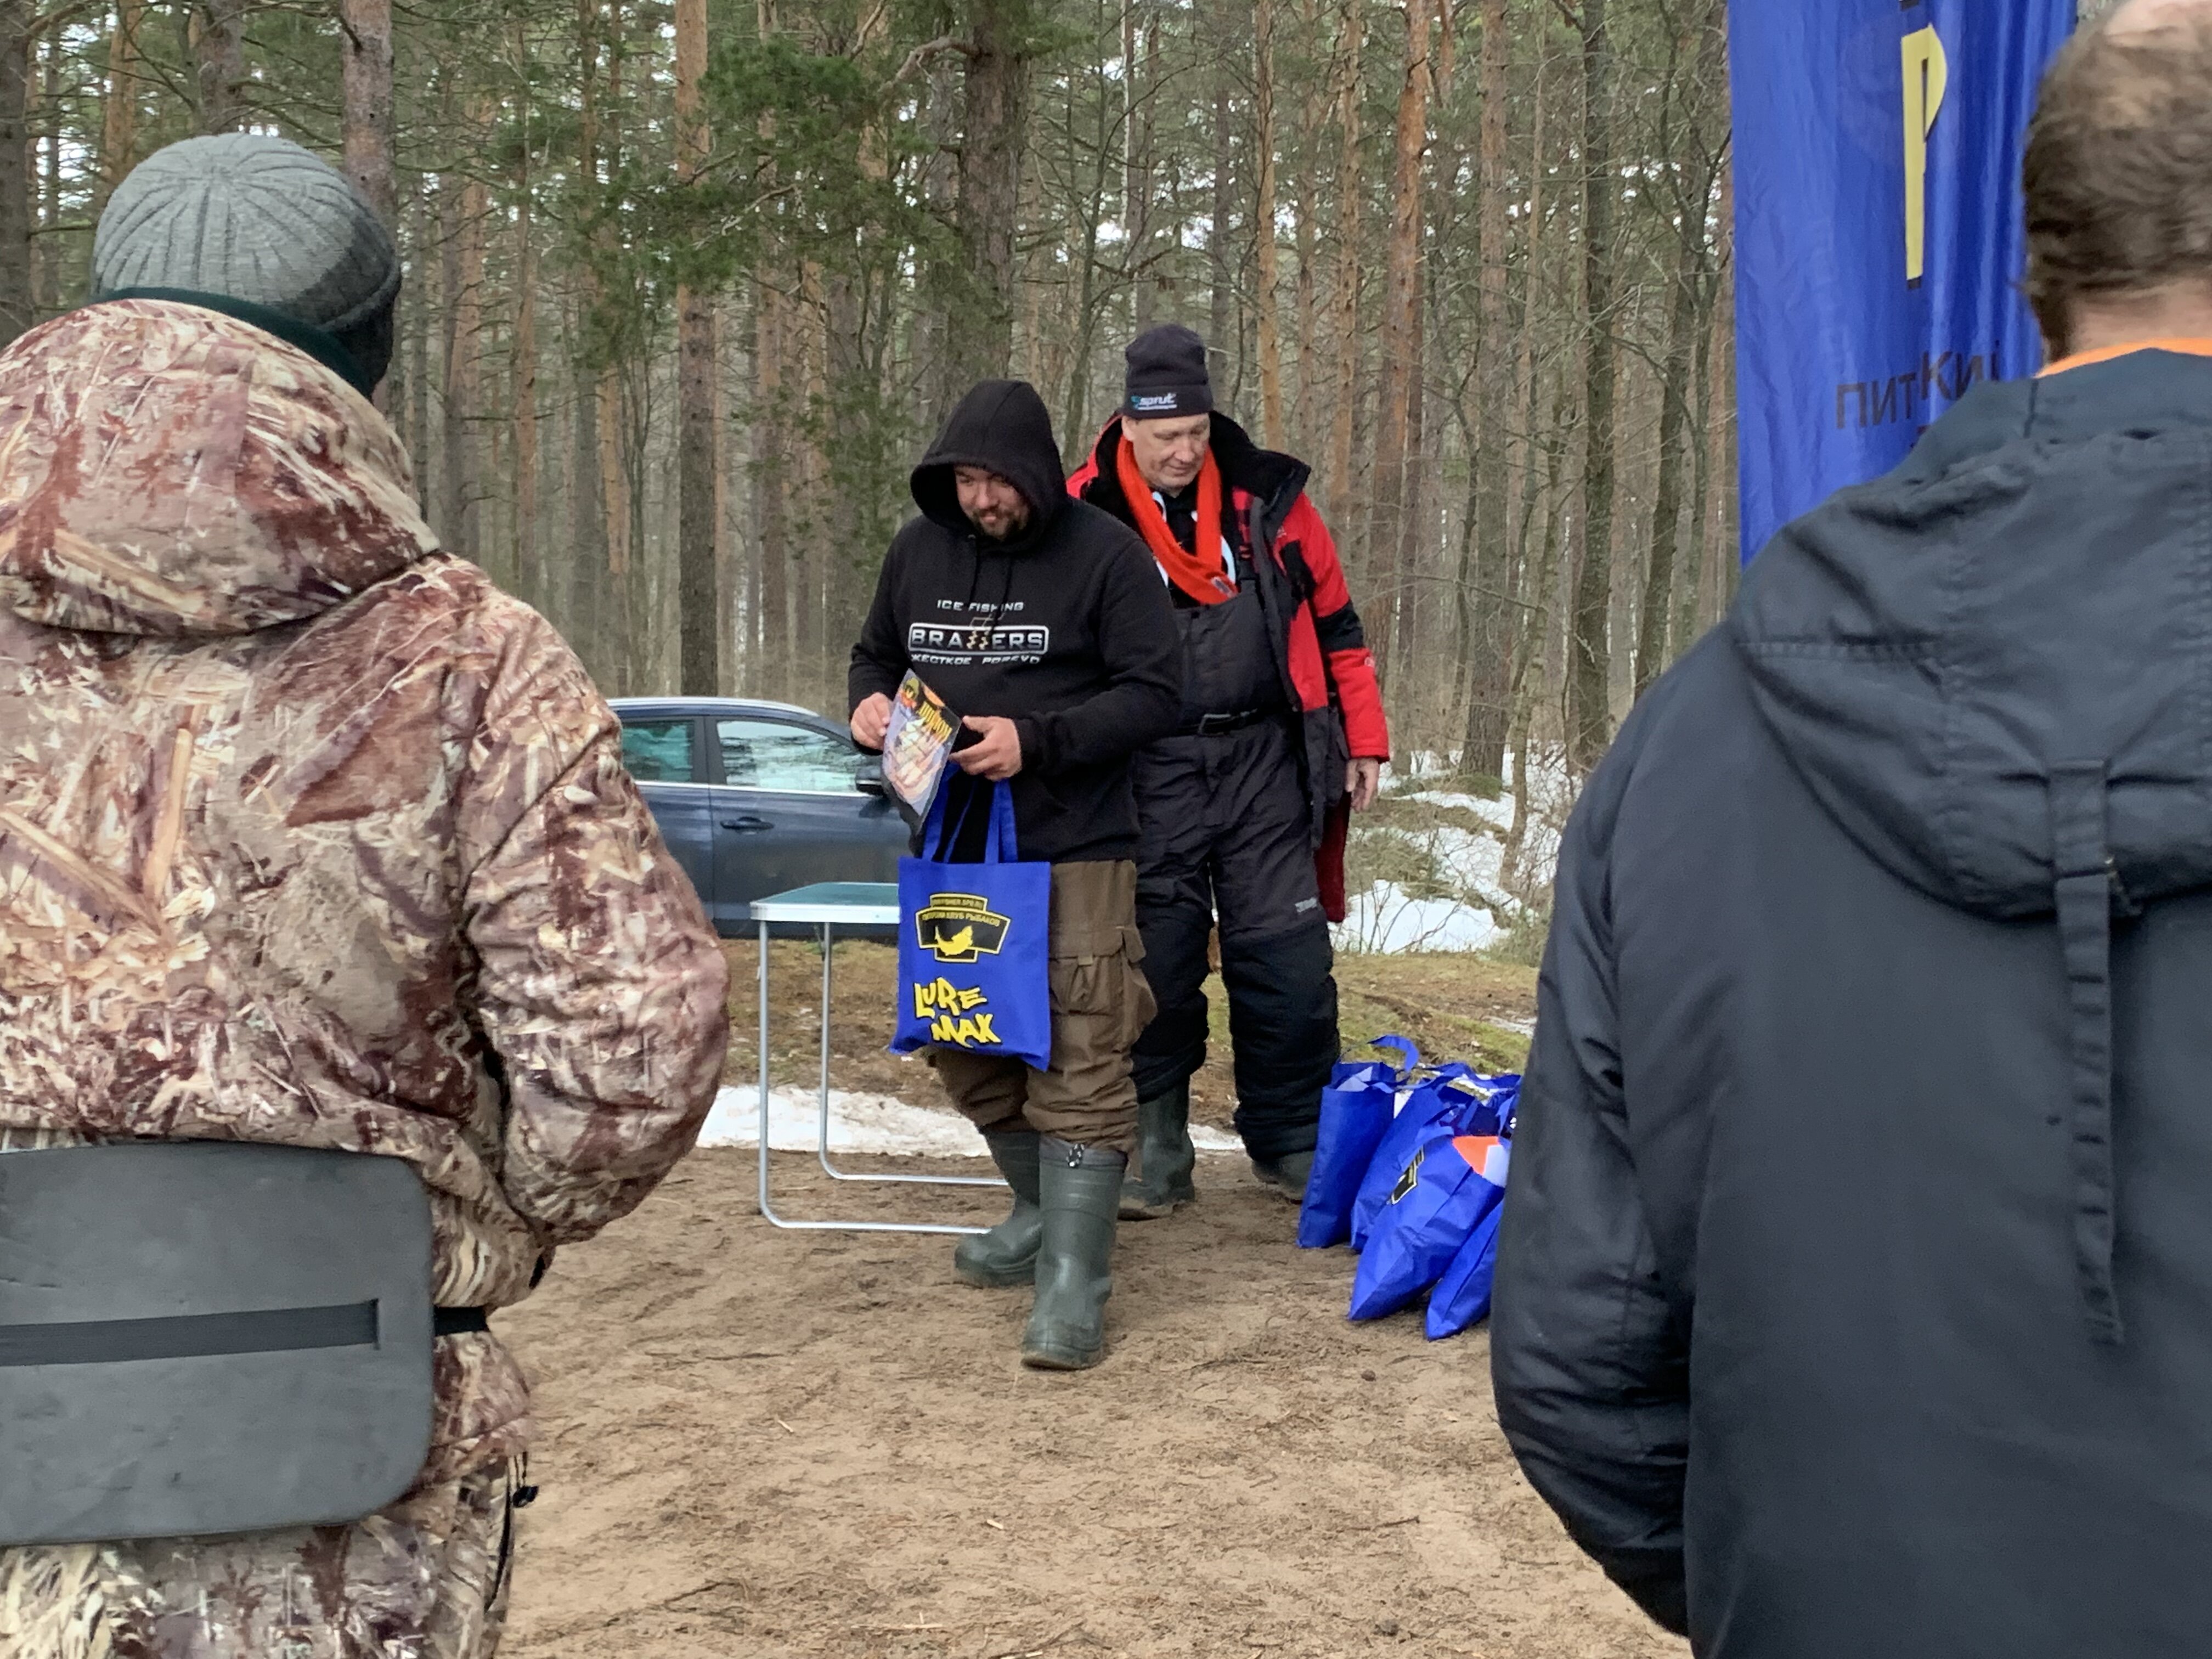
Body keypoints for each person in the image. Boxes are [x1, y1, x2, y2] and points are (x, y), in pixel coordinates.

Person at [1492, 7, 2212, 1654]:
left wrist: (1799, 1592)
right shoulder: (1718, 725)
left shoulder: (1699, 738)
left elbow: (1581, 1362)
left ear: (2040, 273)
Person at [0, 135, 729, 1657]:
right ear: (364, 361)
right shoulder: (467, 658)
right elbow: (627, 1060)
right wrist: (467, 1220)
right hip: (337, 1431)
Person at [850, 379, 1181, 1371]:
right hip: (950, 840)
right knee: (961, 1034)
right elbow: (876, 654)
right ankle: (1041, 1211)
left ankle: (1075, 1281)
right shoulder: (918, 551)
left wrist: (1039, 741)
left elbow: (1160, 693)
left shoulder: (1106, 556)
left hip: (1074, 843)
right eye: (965, 481)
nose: (982, 500)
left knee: (1081, 1044)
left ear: (1035, 473)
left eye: (997, 482)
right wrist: (870, 703)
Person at [1068, 324, 1389, 1216]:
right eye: (1167, 435)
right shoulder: (1083, 512)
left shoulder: (1268, 502)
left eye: (1197, 433)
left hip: (1264, 764)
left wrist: (1364, 738)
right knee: (1153, 962)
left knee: (1288, 960)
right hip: (1144, 771)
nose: (1184, 451)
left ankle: (1291, 1141)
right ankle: (1154, 1146)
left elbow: (1339, 628)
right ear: (1129, 425)